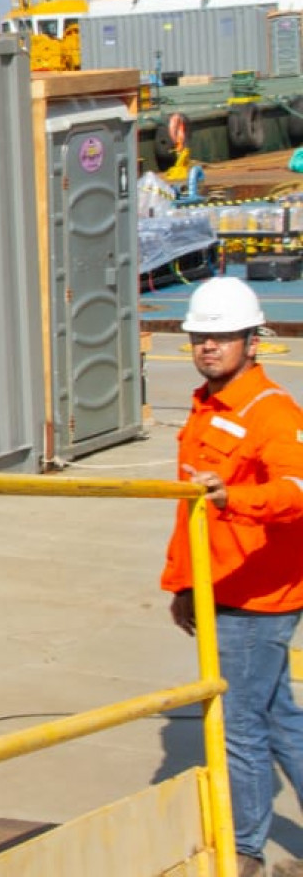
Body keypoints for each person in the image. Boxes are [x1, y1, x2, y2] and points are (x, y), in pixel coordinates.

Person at [162, 276, 303, 877]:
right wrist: (185, 583)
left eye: (222, 336)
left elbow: (296, 490)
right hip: (223, 585)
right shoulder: (205, 407)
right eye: (201, 336)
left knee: (241, 727)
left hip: (259, 596)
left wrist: (235, 496)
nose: (209, 346)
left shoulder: (271, 412)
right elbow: (189, 511)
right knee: (278, 717)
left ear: (253, 341)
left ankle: (242, 852)